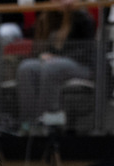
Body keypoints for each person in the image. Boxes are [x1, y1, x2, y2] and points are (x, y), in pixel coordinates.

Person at [14, 0, 95, 130]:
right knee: (26, 67)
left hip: (83, 65)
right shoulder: (47, 18)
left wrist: (58, 57)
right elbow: (44, 49)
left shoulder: (81, 16)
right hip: (56, 63)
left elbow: (86, 50)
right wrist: (43, 55)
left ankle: (50, 121)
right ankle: (28, 124)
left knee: (52, 67)